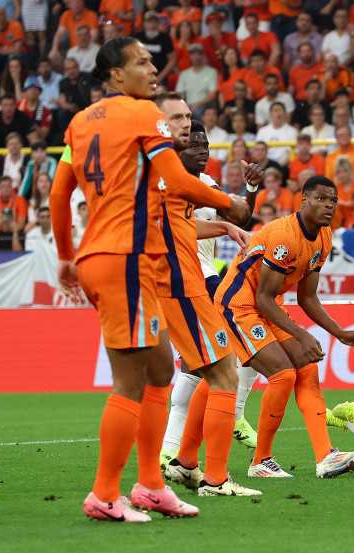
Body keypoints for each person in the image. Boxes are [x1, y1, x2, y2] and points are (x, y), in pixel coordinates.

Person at [49, 36, 250, 522]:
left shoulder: (78, 124)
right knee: (129, 383)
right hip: (129, 258)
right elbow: (178, 182)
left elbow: (59, 194)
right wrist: (229, 205)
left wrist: (64, 257)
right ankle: (104, 494)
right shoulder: (142, 115)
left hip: (104, 256)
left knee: (161, 372)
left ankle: (152, 486)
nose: (153, 67)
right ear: (115, 75)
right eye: (142, 62)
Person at [214, 174, 354, 478]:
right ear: (304, 201)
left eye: (333, 201)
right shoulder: (285, 236)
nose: (329, 206)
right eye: (321, 199)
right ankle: (260, 462)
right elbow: (262, 298)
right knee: (283, 375)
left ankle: (326, 456)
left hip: (268, 303)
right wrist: (302, 334)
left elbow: (307, 297)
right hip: (238, 303)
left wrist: (339, 334)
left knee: (307, 369)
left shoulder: (324, 237)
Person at [147, 95, 261, 497]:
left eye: (188, 118)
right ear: (160, 123)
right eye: (177, 118)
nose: (186, 126)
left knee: (210, 373)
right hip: (179, 284)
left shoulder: (159, 168)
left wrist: (227, 228)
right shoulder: (170, 171)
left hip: (184, 281)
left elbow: (183, 226)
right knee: (222, 372)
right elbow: (238, 210)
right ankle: (213, 478)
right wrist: (235, 208)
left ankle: (184, 464)